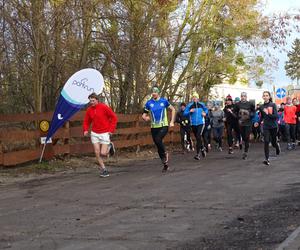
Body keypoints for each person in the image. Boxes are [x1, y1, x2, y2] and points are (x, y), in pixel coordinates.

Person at [83, 93, 118, 177]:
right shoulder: (89, 110)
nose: (91, 102)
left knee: (103, 153)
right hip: (94, 133)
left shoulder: (104, 107)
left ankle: (109, 146)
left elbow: (114, 117)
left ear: (97, 100)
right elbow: (86, 121)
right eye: (90, 101)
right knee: (97, 152)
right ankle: (104, 170)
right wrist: (85, 130)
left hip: (105, 132)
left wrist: (111, 130)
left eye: (93, 100)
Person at [142, 86, 175, 172]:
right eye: (152, 92)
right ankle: (165, 164)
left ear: (158, 92)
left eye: (155, 92)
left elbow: (173, 109)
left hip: (163, 125)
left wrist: (171, 121)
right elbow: (144, 114)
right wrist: (145, 118)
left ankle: (165, 153)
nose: (154, 93)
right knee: (157, 144)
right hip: (154, 127)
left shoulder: (164, 101)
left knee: (158, 139)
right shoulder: (149, 103)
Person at [184, 92, 208, 160]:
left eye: (196, 97)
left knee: (198, 136)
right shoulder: (190, 105)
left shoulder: (201, 104)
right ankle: (202, 148)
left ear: (198, 98)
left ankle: (198, 154)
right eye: (193, 97)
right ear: (192, 98)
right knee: (198, 138)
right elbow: (184, 113)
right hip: (193, 124)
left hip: (201, 123)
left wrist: (204, 113)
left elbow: (206, 110)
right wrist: (190, 111)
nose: (194, 98)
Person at [259, 91, 280, 165]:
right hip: (266, 126)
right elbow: (261, 117)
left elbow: (276, 116)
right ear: (262, 97)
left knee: (273, 142)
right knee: (266, 141)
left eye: (266, 95)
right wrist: (258, 122)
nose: (265, 97)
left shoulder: (273, 105)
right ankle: (266, 159)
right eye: (264, 95)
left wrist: (268, 113)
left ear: (269, 97)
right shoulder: (261, 107)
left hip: (274, 126)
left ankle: (277, 147)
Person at [233, 92, 255, 160]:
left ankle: (245, 152)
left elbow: (254, 112)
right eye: (242, 96)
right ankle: (246, 144)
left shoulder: (250, 104)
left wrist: (250, 115)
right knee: (243, 137)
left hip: (248, 123)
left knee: (247, 137)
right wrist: (237, 116)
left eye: (244, 96)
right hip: (241, 123)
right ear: (240, 97)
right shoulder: (237, 104)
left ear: (246, 97)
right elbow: (234, 112)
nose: (243, 97)